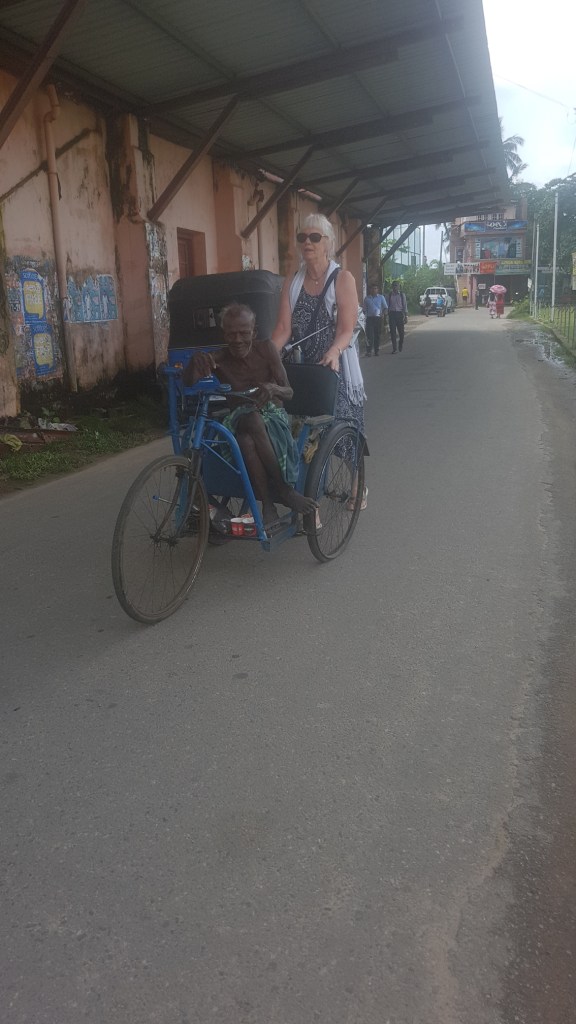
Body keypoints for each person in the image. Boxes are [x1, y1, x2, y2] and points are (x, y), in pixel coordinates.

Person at [183, 303, 317, 527]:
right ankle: (282, 492)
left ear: (253, 333)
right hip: (240, 419)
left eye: (244, 333)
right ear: (223, 334)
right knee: (249, 421)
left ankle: (268, 505)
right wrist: (192, 362)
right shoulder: (219, 358)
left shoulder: (266, 349)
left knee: (246, 439)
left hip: (273, 418)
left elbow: (289, 392)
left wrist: (273, 388)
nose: (237, 340)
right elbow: (187, 381)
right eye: (231, 333)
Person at [271, 212, 367, 510]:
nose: (307, 242)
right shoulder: (293, 282)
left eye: (315, 237)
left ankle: (357, 485)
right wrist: (265, 355)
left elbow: (346, 329)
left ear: (328, 243)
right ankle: (306, 494)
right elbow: (284, 330)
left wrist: (334, 351)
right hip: (301, 368)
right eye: (303, 237)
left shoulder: (343, 279)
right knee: (296, 430)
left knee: (342, 426)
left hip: (333, 367)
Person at [362, 283, 388, 356]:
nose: (374, 290)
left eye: (375, 288)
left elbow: (385, 307)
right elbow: (364, 310)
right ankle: (369, 351)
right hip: (369, 318)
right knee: (369, 335)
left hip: (378, 318)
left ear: (378, 290)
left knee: (377, 335)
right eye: (373, 288)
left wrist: (383, 314)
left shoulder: (381, 297)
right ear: (370, 290)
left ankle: (376, 350)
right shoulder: (367, 299)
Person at [387, 280, 408, 352]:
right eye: (394, 285)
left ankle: (400, 343)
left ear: (399, 287)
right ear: (392, 286)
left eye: (396, 285)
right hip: (392, 314)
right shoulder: (389, 295)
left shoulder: (402, 295)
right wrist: (386, 316)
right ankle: (394, 348)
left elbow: (405, 305)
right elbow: (387, 306)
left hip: (399, 314)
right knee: (392, 332)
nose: (395, 287)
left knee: (401, 333)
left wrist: (406, 316)